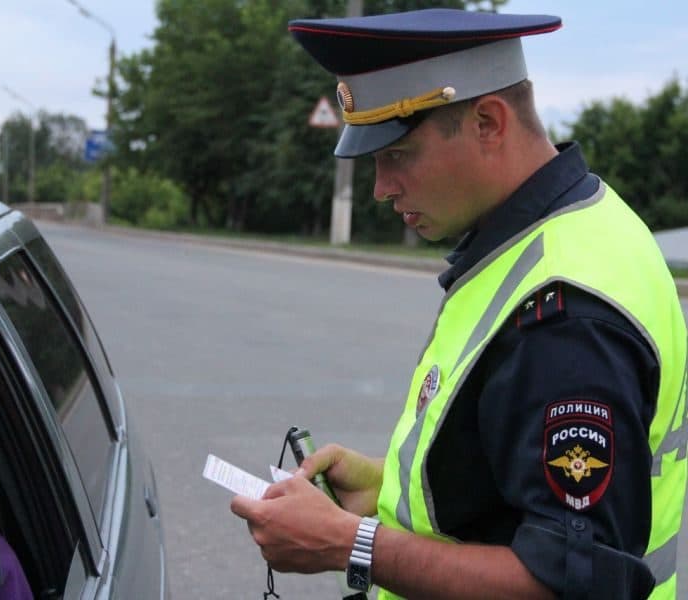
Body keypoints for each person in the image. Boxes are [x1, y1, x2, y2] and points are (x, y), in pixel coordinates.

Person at [230, 8, 688, 600]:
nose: (381, 187)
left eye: (397, 154)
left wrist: (352, 544)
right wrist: (391, 495)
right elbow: (519, 488)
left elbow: (574, 583)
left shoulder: (563, 316)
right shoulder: (585, 222)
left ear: (488, 123)